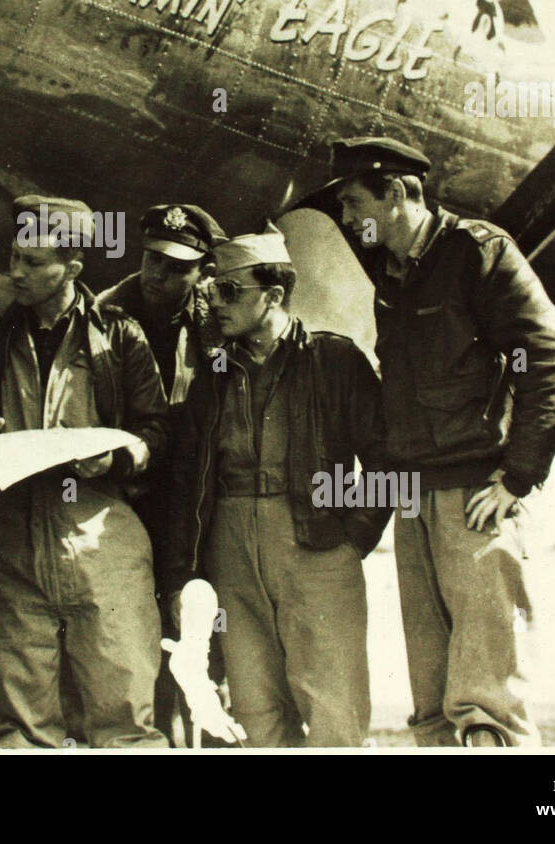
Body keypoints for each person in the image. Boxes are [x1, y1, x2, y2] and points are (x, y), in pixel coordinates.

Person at [322, 136, 555, 747]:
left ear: (397, 193)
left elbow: (551, 359)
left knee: (487, 700)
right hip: (415, 499)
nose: (348, 221)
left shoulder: (477, 253)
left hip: (472, 497)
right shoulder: (391, 274)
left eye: (355, 203)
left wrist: (517, 477)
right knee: (433, 700)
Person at [0, 196, 170, 748]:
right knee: (18, 724)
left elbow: (158, 433)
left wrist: (116, 457)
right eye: (14, 258)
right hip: (10, 543)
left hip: (101, 541)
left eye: (33, 262)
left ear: (72, 269)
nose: (15, 273)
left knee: (123, 716)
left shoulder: (121, 337)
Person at [165, 225, 390, 746]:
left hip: (316, 544)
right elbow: (187, 481)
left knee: (334, 703)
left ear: (274, 296)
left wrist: (354, 538)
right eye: (213, 289)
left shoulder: (334, 360)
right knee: (254, 704)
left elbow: (386, 462)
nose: (216, 303)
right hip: (231, 547)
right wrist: (189, 571)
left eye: (230, 291)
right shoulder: (216, 372)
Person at [96, 203, 225, 743]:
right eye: (151, 259)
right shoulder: (102, 316)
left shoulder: (216, 322)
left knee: (201, 634)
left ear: (201, 272)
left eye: (176, 267)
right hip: (129, 498)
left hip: (197, 497)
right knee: (132, 639)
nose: (157, 275)